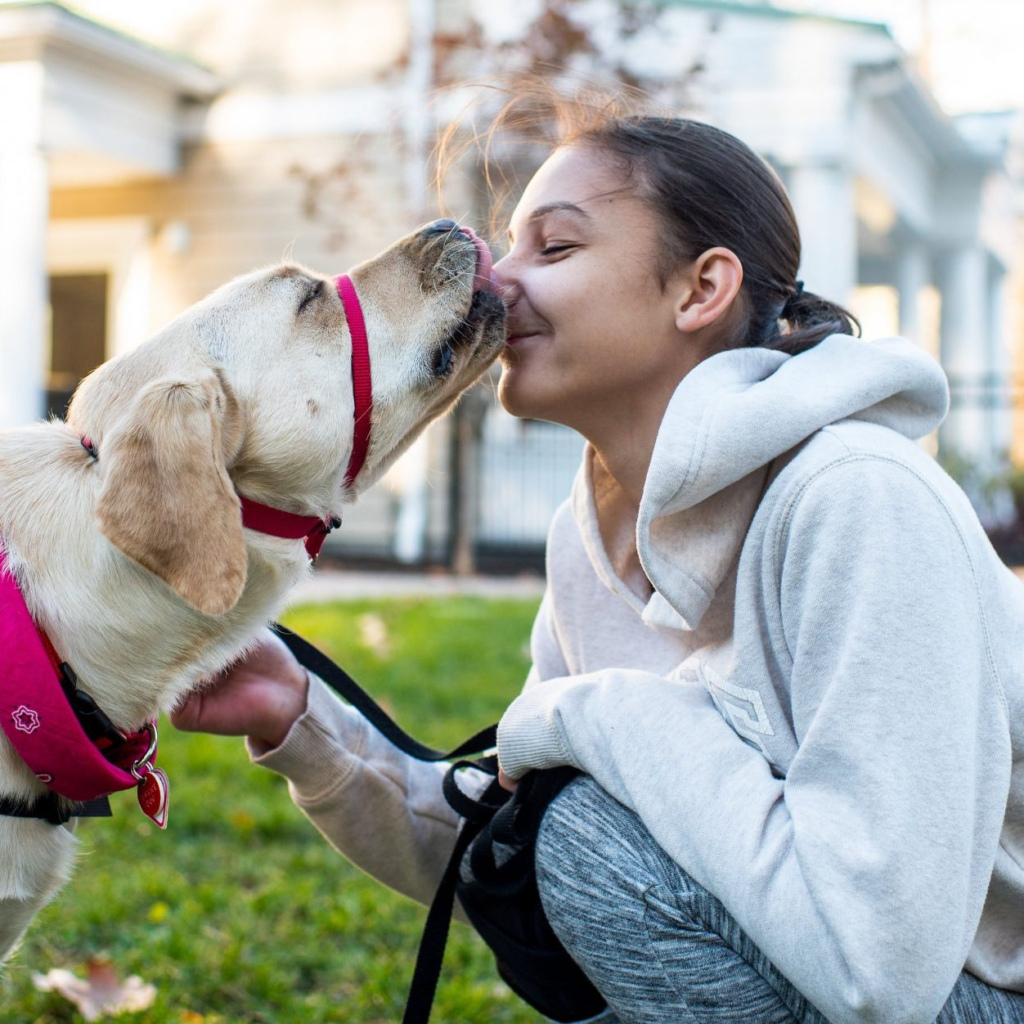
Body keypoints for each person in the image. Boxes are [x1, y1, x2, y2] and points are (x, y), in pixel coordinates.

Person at [172, 97, 1024, 1024]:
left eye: (556, 247)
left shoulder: (858, 500)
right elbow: (513, 837)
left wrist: (598, 717)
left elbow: (881, 972)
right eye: (510, 247)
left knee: (586, 832)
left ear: (700, 290)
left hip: (979, 995)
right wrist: (303, 720)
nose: (496, 280)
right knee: (575, 830)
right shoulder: (591, 537)